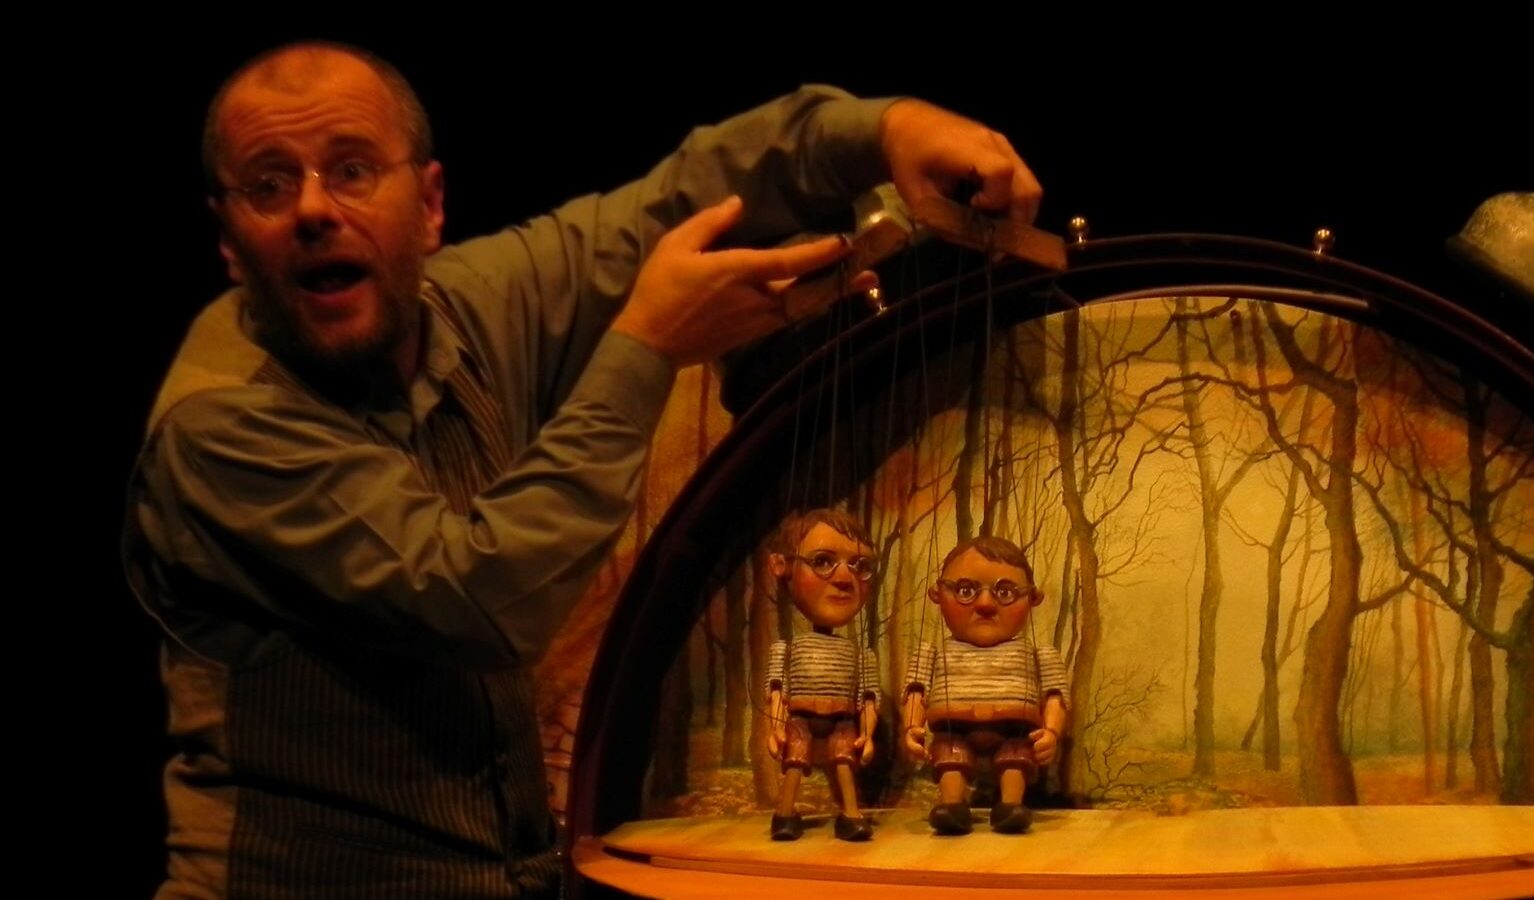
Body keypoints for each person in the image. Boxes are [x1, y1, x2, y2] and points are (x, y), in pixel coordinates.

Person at [121, 40, 1041, 899]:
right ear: (228, 240)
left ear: (429, 205)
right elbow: (479, 597)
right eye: (269, 184)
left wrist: (887, 129)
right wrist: (646, 348)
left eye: (353, 169)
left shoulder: (463, 305)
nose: (315, 209)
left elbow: (682, 200)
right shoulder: (221, 424)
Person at [901, 536, 1069, 836]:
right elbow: (916, 690)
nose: (985, 604)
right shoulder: (931, 652)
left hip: (1014, 730)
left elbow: (1056, 694)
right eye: (965, 590)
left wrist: (1052, 732)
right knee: (950, 756)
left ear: (1033, 598)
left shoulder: (1040, 654)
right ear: (938, 594)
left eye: (1005, 593)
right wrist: (912, 726)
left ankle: (1011, 806)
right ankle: (952, 805)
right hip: (953, 729)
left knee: (1015, 755)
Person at [758, 508, 881, 842]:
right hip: (800, 718)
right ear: (780, 565)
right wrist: (776, 726)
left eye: (860, 566)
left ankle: (851, 814)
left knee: (844, 760)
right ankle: (785, 814)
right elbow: (777, 690)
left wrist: (867, 734)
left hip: (842, 720)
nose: (843, 578)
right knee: (795, 762)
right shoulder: (786, 649)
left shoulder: (860, 655)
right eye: (823, 561)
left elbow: (869, 698)